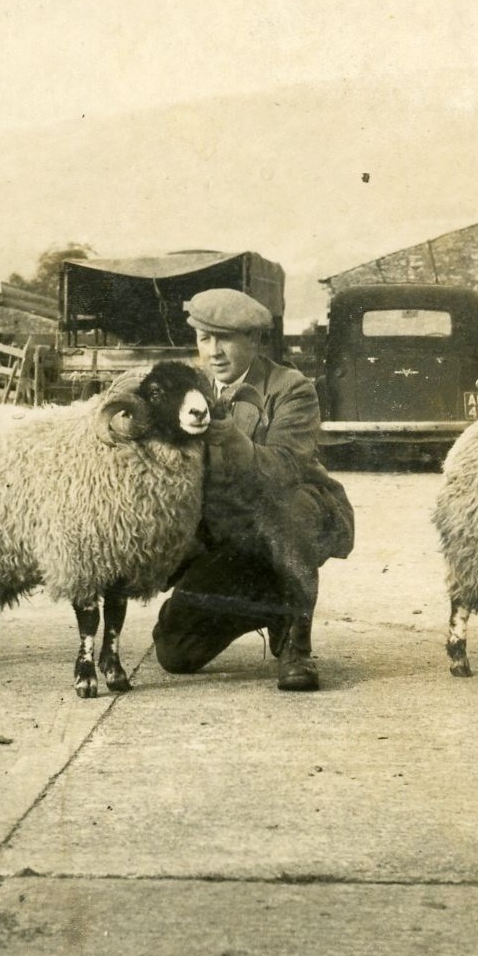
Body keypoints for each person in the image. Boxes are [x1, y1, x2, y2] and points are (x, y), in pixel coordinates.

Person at [150, 288, 355, 691]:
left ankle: (296, 643)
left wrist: (233, 439)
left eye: (226, 339)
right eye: (204, 339)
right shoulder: (190, 388)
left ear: (255, 339)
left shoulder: (290, 388)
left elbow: (284, 468)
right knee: (176, 654)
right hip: (225, 531)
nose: (214, 352)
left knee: (288, 508)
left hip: (288, 516)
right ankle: (273, 606)